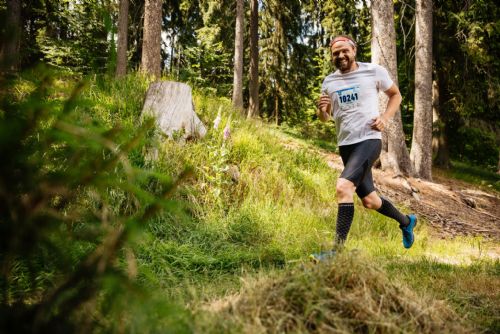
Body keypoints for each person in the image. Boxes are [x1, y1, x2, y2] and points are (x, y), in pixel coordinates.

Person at [312, 35, 417, 261]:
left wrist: (385, 119)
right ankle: (407, 222)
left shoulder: (373, 71)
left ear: (354, 50)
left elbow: (395, 95)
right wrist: (321, 111)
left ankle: (335, 253)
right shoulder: (329, 82)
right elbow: (325, 118)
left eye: (344, 51)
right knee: (370, 201)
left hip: (369, 140)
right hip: (346, 145)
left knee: (343, 186)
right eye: (335, 53)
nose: (340, 56)